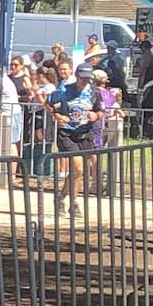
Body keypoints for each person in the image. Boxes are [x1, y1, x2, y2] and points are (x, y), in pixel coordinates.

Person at [47, 61, 100, 218]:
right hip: (67, 132)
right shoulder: (65, 89)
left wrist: (95, 116)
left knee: (78, 172)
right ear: (76, 76)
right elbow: (48, 103)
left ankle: (63, 199)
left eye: (88, 79)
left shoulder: (94, 92)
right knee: (78, 168)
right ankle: (73, 202)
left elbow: (100, 111)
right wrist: (57, 115)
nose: (85, 81)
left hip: (84, 133)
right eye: (83, 78)